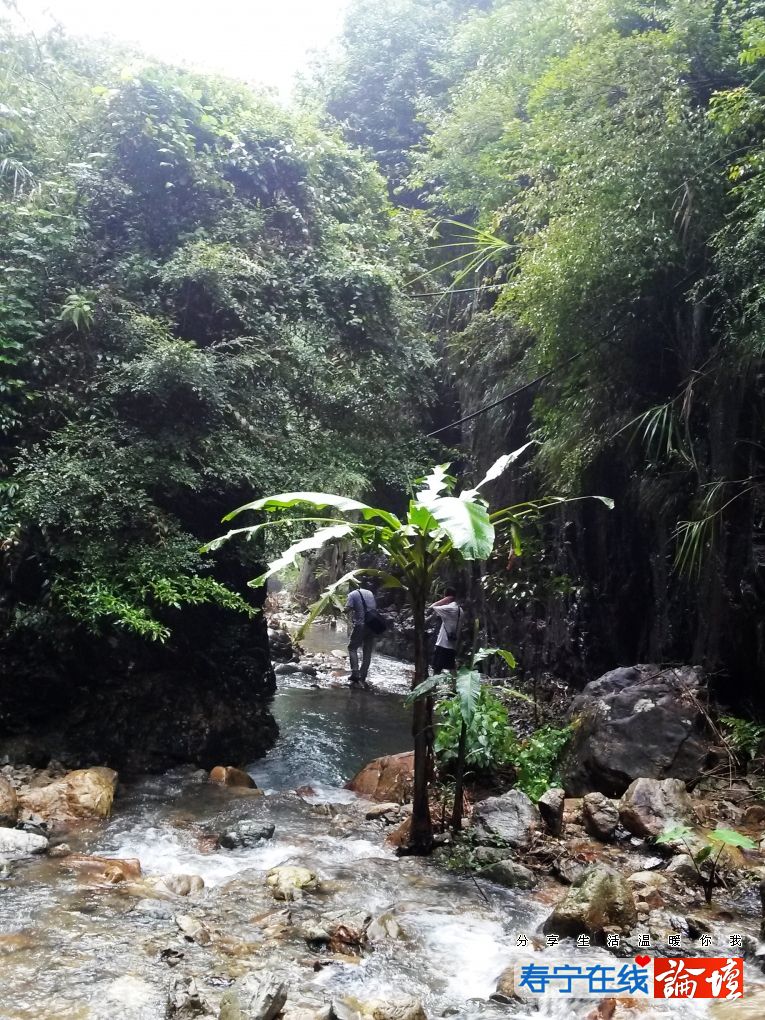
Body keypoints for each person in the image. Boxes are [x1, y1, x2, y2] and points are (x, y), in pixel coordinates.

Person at [345, 581, 378, 686]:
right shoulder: (370, 593)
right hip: (373, 624)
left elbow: (347, 609)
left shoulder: (352, 594)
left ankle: (355, 673)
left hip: (361, 624)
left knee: (352, 647)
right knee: (367, 650)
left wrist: (337, 608)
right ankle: (363, 675)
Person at [430, 587, 463, 673]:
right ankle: (455, 686)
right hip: (452, 645)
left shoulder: (450, 608)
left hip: (443, 643)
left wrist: (444, 600)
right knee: (451, 669)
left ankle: (433, 686)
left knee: (437, 669)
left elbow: (432, 607)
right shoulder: (460, 610)